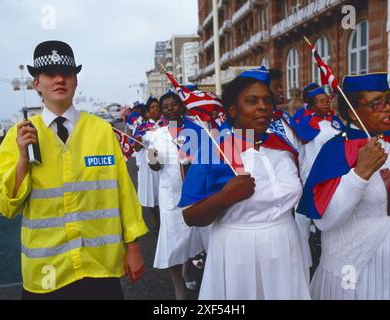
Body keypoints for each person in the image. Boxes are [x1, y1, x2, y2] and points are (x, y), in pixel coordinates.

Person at [0, 40, 148, 300]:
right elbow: (7, 205)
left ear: (76, 81)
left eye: (67, 74)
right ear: (36, 83)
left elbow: (124, 192)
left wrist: (133, 246)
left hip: (100, 268)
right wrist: (22, 162)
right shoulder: (21, 136)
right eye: (50, 74)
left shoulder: (101, 131)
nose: (59, 80)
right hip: (47, 272)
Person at [179, 67, 311, 300]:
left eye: (267, 101)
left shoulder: (281, 146)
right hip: (238, 252)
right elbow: (190, 216)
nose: (263, 107)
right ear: (232, 110)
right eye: (252, 101)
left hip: (285, 244)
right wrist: (225, 197)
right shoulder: (216, 148)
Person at [298, 73, 390, 299]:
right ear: (352, 113)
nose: (388, 108)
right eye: (376, 103)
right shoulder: (337, 149)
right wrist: (360, 173)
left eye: (389, 99)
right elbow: (325, 220)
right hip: (352, 268)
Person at [146, 92, 204, 300]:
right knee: (173, 243)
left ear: (181, 106)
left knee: (193, 238)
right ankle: (179, 288)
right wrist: (152, 158)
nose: (170, 109)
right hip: (170, 196)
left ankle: (188, 269)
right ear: (162, 111)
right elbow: (155, 167)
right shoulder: (157, 135)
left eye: (174, 105)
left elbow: (205, 161)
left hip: (194, 193)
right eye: (166, 106)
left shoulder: (196, 131)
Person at [293, 84, 345, 273]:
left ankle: (329, 256)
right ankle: (301, 261)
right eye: (321, 101)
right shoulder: (304, 123)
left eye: (327, 100)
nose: (326, 103)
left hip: (333, 176)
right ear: (311, 104)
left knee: (330, 215)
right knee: (303, 219)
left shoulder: (334, 120)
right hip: (310, 175)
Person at [133, 97, 166, 231]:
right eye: (152, 107)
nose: (155, 109)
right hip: (150, 162)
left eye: (157, 107)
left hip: (166, 161)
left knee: (165, 192)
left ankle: (165, 220)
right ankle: (157, 220)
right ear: (148, 112)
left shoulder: (167, 124)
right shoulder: (142, 127)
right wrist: (138, 141)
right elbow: (136, 148)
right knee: (152, 195)